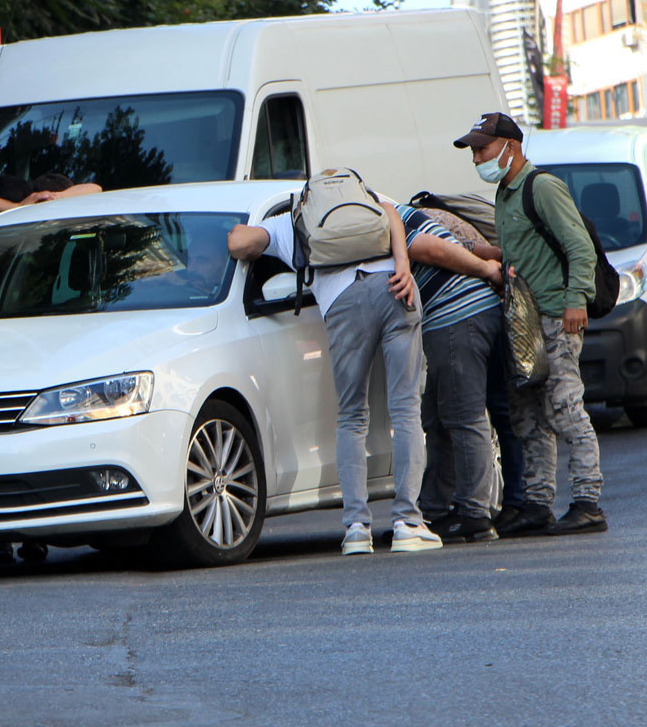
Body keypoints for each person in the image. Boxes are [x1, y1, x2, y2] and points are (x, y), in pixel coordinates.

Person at [227, 181, 442, 554]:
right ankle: (408, 523)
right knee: (405, 408)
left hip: (344, 300)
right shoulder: (369, 199)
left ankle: (357, 528)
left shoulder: (292, 217)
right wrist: (403, 266)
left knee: (351, 416)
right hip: (395, 286)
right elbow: (395, 216)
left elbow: (240, 245)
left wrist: (233, 229)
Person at [454, 112, 606, 535]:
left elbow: (580, 248)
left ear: (510, 147)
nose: (476, 159)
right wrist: (482, 252)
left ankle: (587, 502)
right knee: (528, 414)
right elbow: (519, 252)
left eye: (482, 149)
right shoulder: (505, 194)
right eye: (473, 151)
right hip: (525, 323)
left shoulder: (541, 187)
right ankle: (538, 505)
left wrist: (576, 302)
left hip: (558, 317)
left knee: (565, 407)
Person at [394, 201, 505, 542]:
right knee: (439, 417)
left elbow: (430, 248)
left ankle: (474, 513)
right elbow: (460, 245)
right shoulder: (398, 210)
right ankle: (435, 509)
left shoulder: (384, 218)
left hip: (457, 316)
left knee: (463, 416)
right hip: (471, 313)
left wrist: (487, 269)